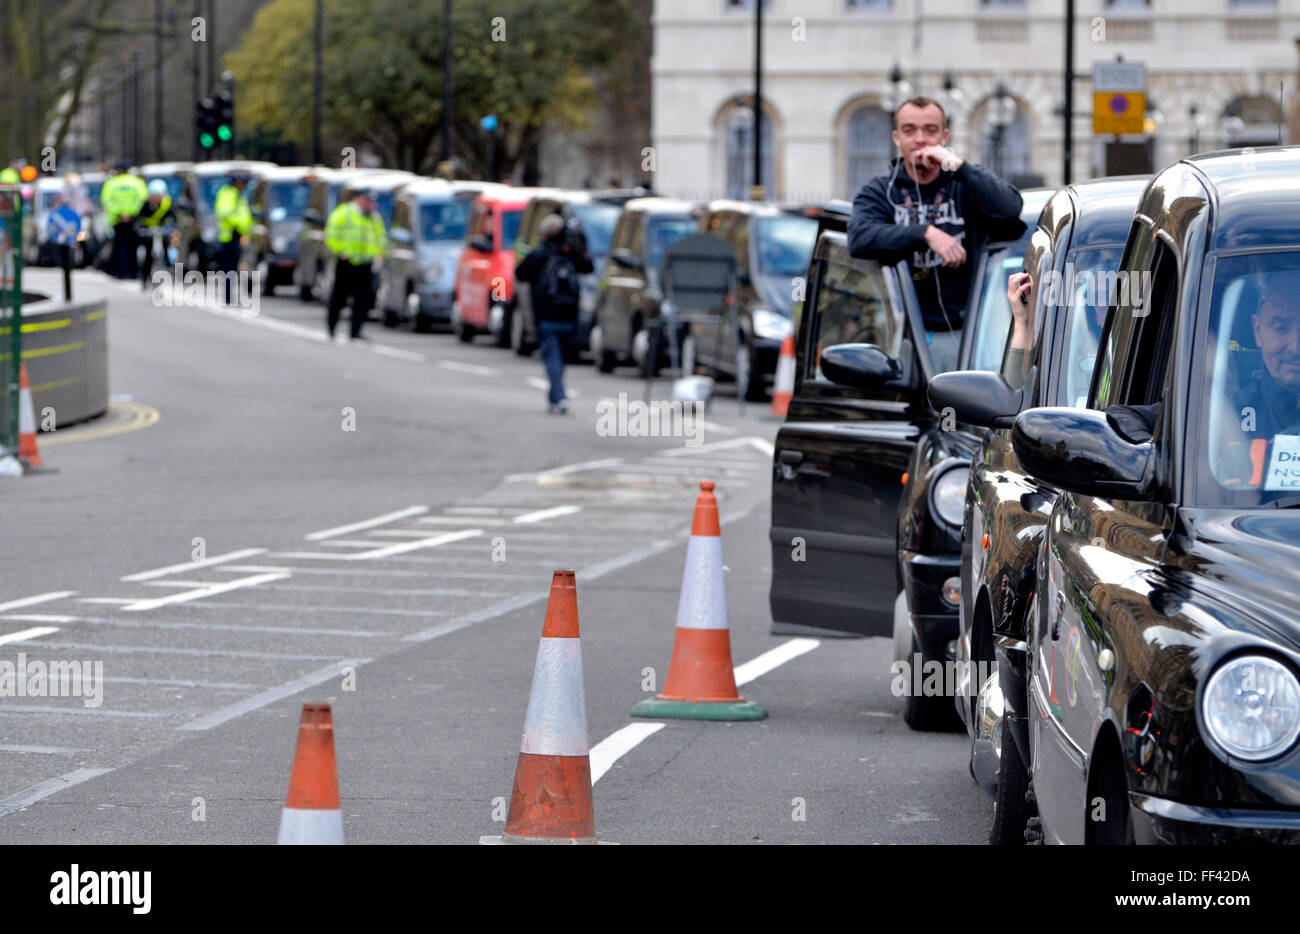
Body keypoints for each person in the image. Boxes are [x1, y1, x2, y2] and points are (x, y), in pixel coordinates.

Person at [848, 96, 1024, 373]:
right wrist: (925, 233)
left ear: (944, 136)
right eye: (909, 130)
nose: (920, 139)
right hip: (903, 336)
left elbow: (1010, 208)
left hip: (967, 334)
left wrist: (959, 167)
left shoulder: (964, 185)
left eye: (930, 130)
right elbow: (859, 238)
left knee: (964, 413)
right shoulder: (881, 191)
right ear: (896, 137)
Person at [515, 214, 593, 413]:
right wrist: (580, 244)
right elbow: (588, 267)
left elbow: (520, 273)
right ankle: (557, 397)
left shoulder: (540, 253)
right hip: (569, 313)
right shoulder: (570, 253)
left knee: (553, 358)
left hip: (546, 314)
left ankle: (557, 397)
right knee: (560, 358)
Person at [323, 188, 387, 341]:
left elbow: (380, 237)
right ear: (358, 199)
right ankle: (332, 328)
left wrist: (378, 253)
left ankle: (355, 331)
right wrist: (339, 251)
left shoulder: (373, 217)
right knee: (339, 297)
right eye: (367, 200)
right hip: (346, 262)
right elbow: (331, 234)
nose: (369, 204)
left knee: (362, 299)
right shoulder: (344, 212)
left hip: (365, 263)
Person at [101, 161, 147, 279]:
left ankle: (121, 272)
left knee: (119, 246)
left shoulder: (111, 183)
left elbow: (106, 200)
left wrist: (120, 214)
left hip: (117, 220)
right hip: (134, 220)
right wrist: (132, 213)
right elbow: (142, 199)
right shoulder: (137, 182)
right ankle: (133, 272)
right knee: (133, 247)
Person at [214, 171, 253, 304]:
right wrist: (238, 224)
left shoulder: (238, 195)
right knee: (228, 268)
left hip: (238, 235)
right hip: (229, 236)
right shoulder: (228, 194)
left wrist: (245, 230)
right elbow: (224, 213)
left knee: (235, 268)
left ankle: (230, 296)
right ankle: (228, 296)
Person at [137, 179, 177, 289]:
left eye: (158, 195)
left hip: (163, 232)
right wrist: (141, 229)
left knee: (167, 249)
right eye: (153, 195)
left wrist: (172, 228)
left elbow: (174, 218)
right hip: (149, 233)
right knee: (147, 255)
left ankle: (170, 268)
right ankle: (145, 279)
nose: (155, 198)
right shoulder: (146, 205)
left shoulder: (167, 204)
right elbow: (139, 219)